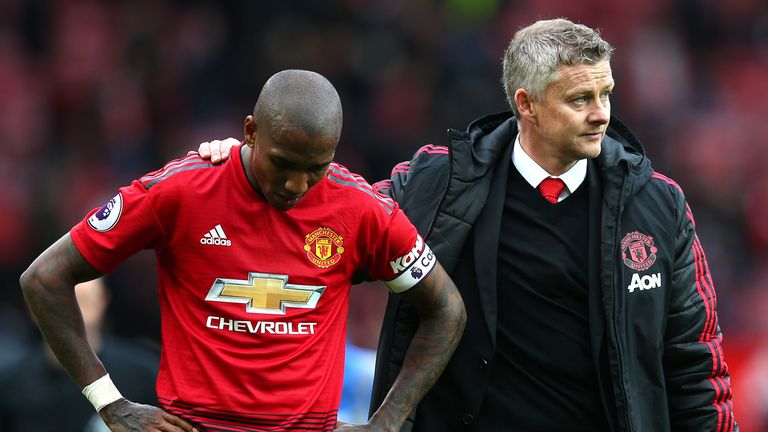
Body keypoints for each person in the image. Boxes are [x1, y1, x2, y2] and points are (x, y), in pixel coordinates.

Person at [196, 19, 737, 431]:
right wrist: (243, 167)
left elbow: (695, 363)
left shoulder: (656, 205)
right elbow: (330, 211)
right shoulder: (439, 181)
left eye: (605, 94)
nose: (602, 113)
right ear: (526, 104)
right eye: (580, 99)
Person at [19, 69, 466, 432]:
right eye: (284, 164)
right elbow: (44, 278)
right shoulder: (182, 191)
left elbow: (447, 309)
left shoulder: (361, 210)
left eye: (316, 168)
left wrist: (387, 422)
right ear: (250, 132)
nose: (296, 185)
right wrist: (109, 402)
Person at [0, 278, 159, 432]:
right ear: (32, 307)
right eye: (59, 303)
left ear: (103, 300)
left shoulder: (143, 375)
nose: (72, 314)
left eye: (83, 301)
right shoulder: (9, 386)